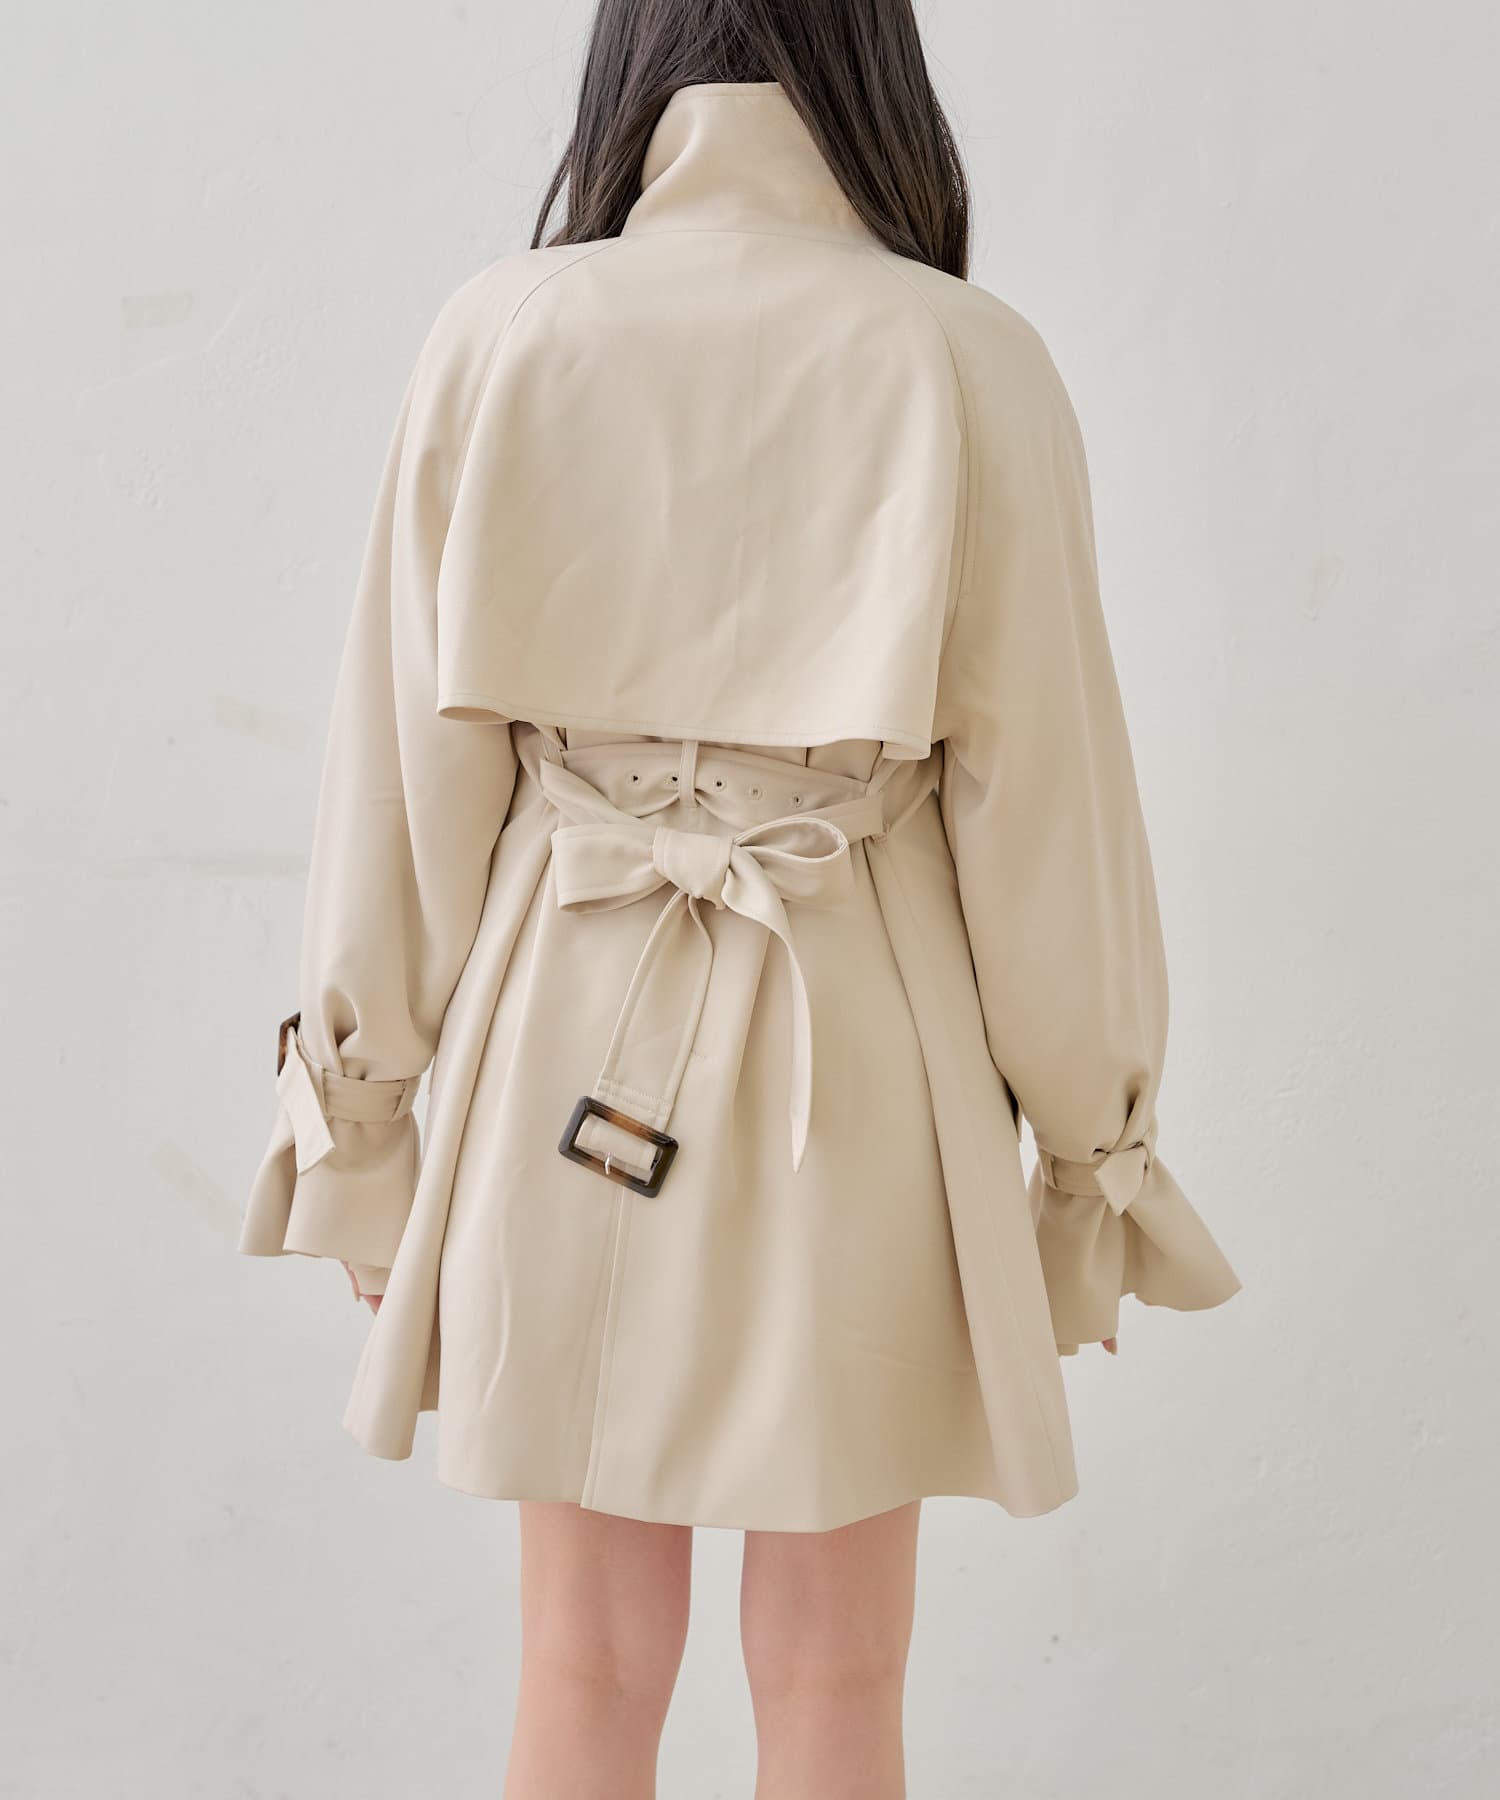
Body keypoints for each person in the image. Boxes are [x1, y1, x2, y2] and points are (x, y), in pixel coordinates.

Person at [238, 1, 1242, 1793]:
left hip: (562, 1035)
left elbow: (404, 770)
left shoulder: (506, 330)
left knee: (582, 1659)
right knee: (840, 1674)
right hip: (858, 1046)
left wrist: (362, 1118)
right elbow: (1049, 808)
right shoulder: (966, 357)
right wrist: (1091, 1165)